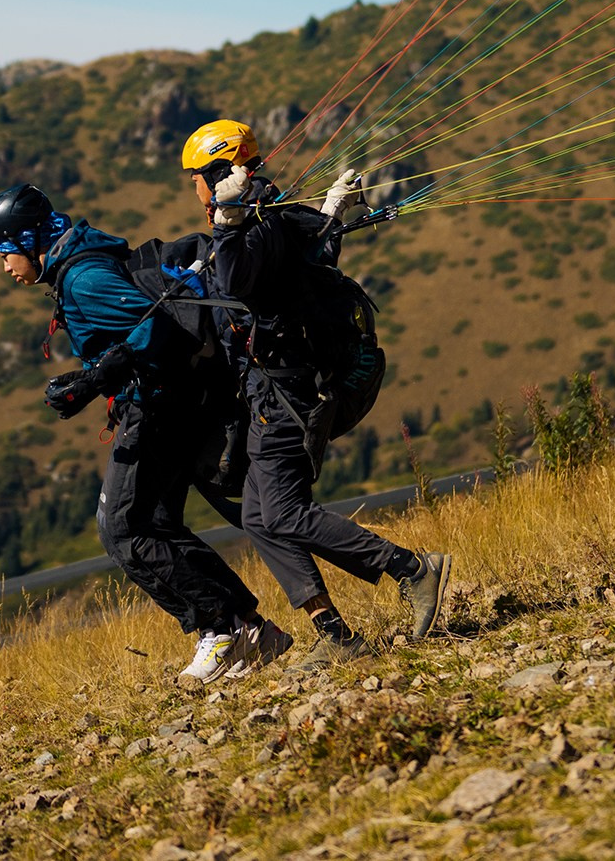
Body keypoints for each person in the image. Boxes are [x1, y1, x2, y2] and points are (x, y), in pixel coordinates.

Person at [0, 183, 290, 684]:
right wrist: (91, 380)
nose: (5, 267)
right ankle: (250, 630)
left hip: (158, 407)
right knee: (158, 524)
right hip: (169, 402)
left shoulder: (83, 277)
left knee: (123, 527)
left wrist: (96, 380)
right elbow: (133, 336)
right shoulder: (79, 263)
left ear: (29, 240)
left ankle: (223, 628)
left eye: (5, 253)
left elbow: (159, 331)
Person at [179, 119, 451, 667]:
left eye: (196, 180)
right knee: (258, 516)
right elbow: (314, 256)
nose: (196, 192)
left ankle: (410, 568)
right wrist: (329, 213)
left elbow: (234, 284)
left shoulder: (255, 222)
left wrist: (229, 223)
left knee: (282, 513)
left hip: (288, 398)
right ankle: (334, 633)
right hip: (278, 393)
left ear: (215, 174)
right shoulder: (274, 211)